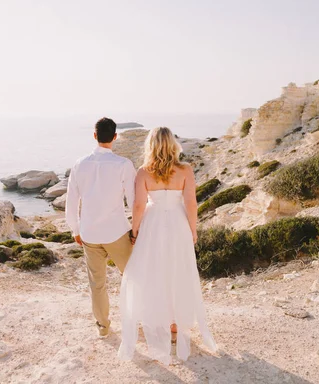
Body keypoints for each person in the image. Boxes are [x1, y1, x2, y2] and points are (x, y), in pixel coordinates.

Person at [118, 127, 217, 364]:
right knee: (177, 271)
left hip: (152, 225)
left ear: (150, 146)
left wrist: (135, 230)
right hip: (177, 224)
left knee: (153, 273)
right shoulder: (185, 170)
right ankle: (174, 325)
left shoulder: (143, 172)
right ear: (172, 144)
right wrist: (193, 230)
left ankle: (156, 320)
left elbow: (139, 205)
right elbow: (191, 203)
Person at [65, 117, 137, 338]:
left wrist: (75, 230)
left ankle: (103, 327)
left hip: (90, 234)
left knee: (97, 284)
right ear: (115, 137)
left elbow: (71, 200)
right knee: (134, 277)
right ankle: (138, 319)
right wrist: (136, 229)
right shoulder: (124, 165)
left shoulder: (79, 164)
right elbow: (134, 201)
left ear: (94, 136)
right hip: (117, 232)